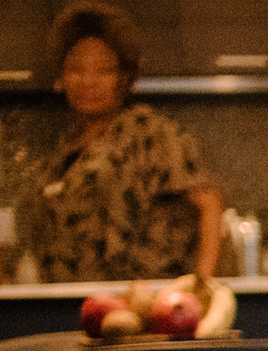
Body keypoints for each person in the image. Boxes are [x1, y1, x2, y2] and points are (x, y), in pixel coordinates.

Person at [35, 3, 223, 283]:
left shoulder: (147, 132)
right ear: (61, 76)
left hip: (141, 305)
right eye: (76, 68)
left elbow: (208, 204)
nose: (88, 81)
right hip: (73, 306)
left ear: (125, 78)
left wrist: (202, 286)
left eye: (103, 70)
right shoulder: (64, 152)